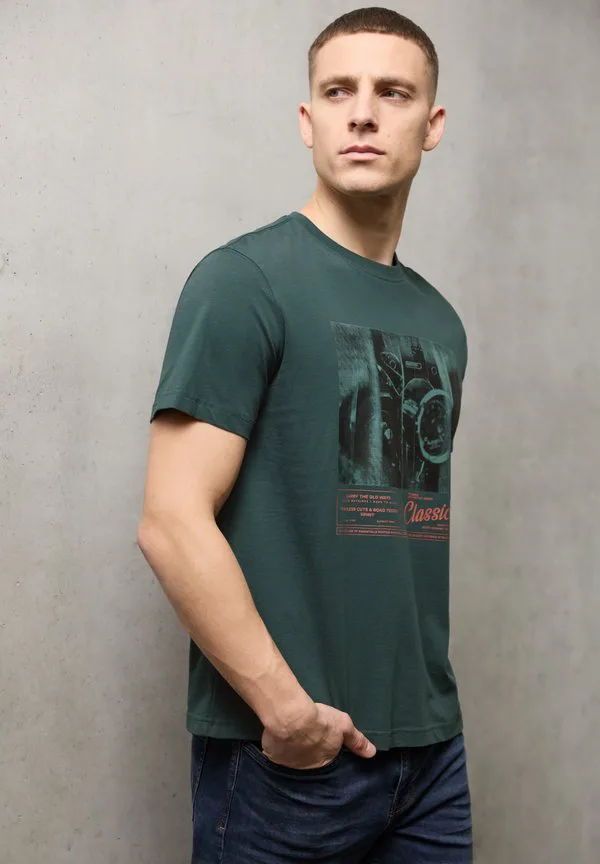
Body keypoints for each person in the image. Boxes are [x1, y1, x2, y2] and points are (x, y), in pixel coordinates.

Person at [137, 6, 472, 862]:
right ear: (308, 119)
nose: (362, 113)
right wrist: (286, 712)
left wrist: (431, 723)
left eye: (392, 92)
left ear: (432, 124)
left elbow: (389, 523)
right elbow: (171, 521)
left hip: (430, 754)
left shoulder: (440, 321)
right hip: (289, 762)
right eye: (338, 91)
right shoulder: (243, 281)